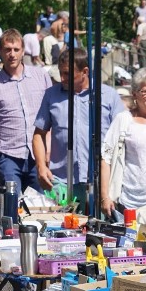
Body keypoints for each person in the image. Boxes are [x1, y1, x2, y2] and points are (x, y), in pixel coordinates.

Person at [34, 48, 125, 210]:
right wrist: (41, 166)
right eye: (61, 73)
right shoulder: (51, 95)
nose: (62, 78)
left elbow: (123, 138)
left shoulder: (109, 96)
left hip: (101, 182)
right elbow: (39, 134)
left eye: (68, 74)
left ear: (85, 71)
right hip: (61, 181)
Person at [0, 29, 52, 192]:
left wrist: (49, 150)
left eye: (16, 49)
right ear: (0, 52)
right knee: (11, 209)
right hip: (7, 156)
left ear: (23, 51)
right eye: (7, 49)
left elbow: (50, 120)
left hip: (37, 157)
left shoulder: (41, 77)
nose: (12, 54)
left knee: (42, 207)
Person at [99, 68, 146, 215]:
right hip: (129, 202)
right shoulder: (123, 120)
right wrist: (105, 197)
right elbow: (106, 157)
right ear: (135, 94)